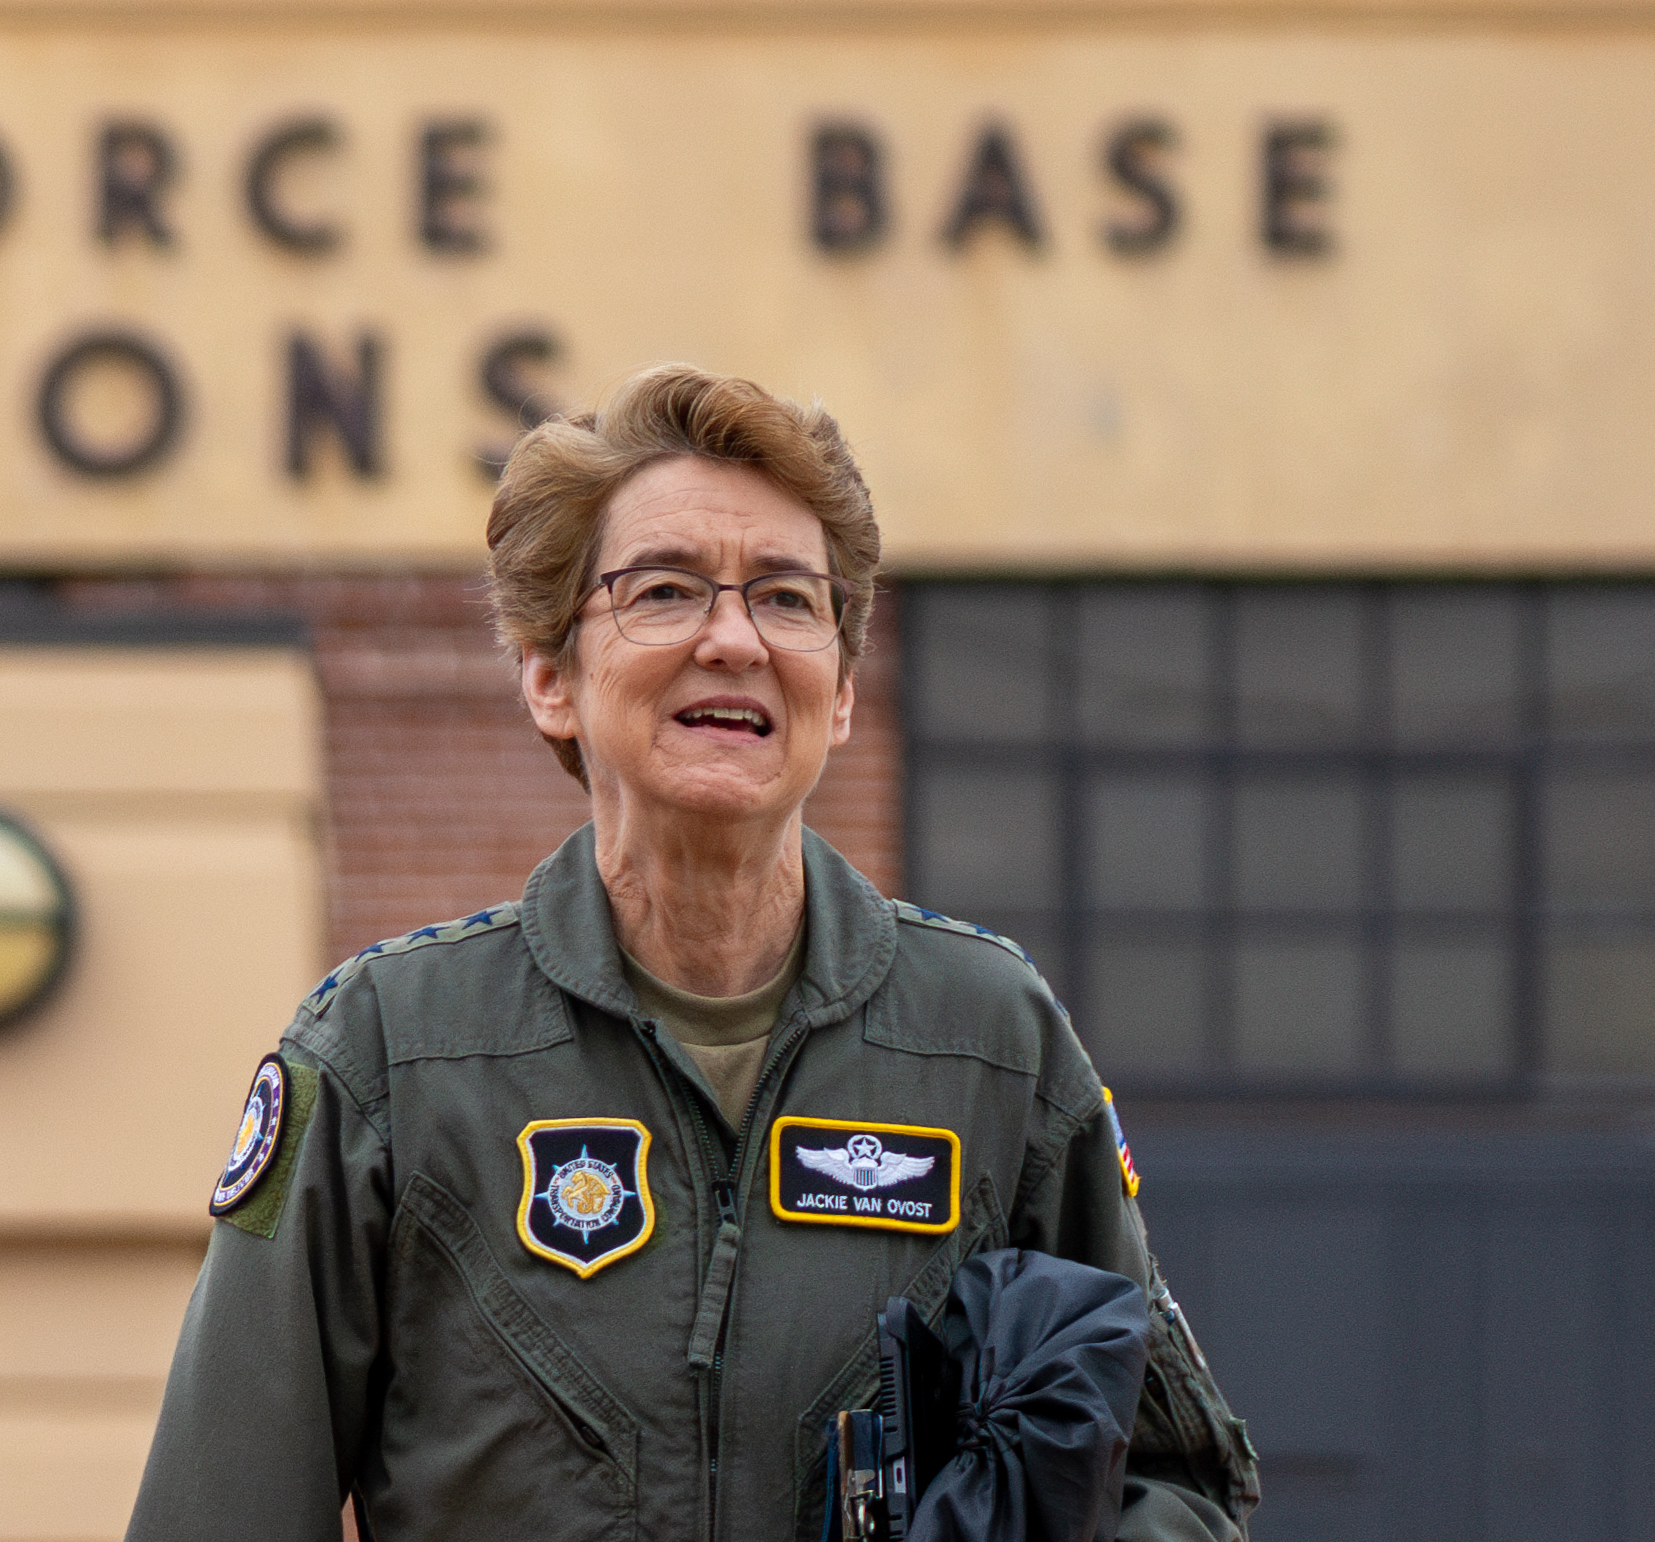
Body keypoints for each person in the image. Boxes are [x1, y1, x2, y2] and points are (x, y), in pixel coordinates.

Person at [125, 364, 1259, 1542]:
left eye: (784, 599)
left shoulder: (986, 1041)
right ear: (550, 678)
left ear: (844, 689)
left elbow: (1176, 1488)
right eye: (663, 592)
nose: (733, 639)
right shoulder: (387, 1060)